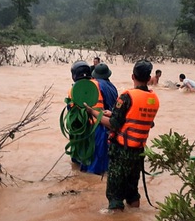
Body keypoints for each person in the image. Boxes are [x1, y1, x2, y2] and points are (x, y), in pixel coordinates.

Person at [86, 60, 160, 211]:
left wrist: (93, 112)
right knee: (132, 192)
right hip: (139, 151)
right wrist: (112, 113)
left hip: (121, 151)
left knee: (115, 194)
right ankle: (133, 218)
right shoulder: (154, 99)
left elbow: (113, 124)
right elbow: (138, 120)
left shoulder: (127, 97)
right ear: (148, 78)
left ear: (133, 76)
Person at [67, 60, 108, 174]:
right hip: (98, 127)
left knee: (83, 160)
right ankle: (93, 188)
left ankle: (84, 185)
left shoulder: (72, 90)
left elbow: (70, 112)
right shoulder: (98, 84)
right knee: (96, 165)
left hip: (82, 130)